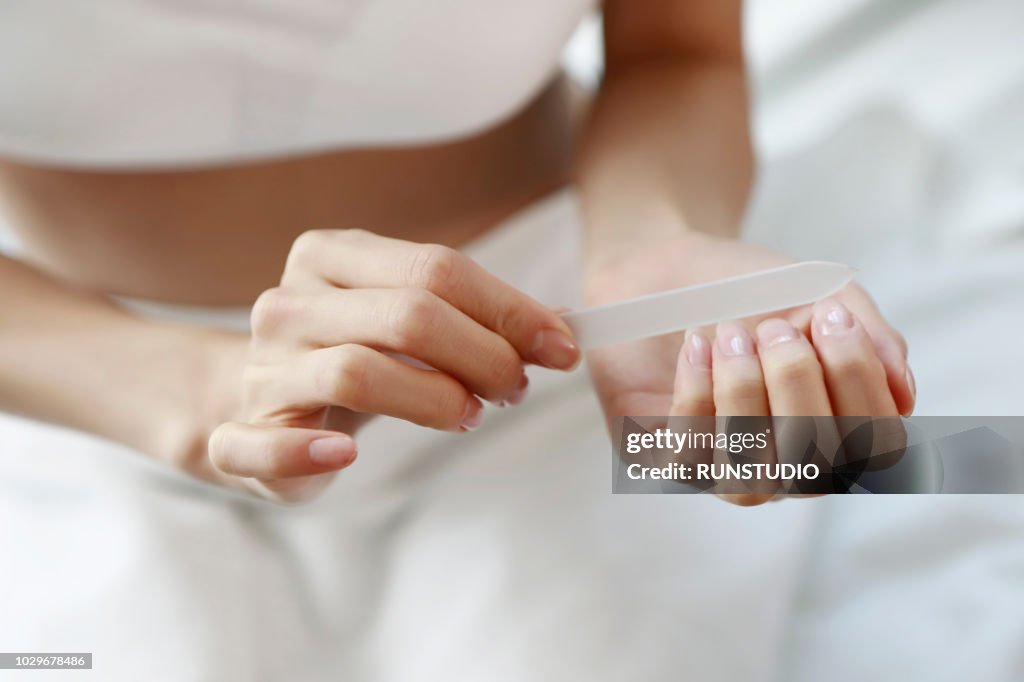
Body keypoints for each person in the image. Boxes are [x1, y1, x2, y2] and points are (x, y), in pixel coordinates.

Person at [0, 1, 915, 679]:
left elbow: (676, 52)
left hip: (555, 359)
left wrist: (653, 249)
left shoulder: (629, 367)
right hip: (85, 390)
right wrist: (195, 393)